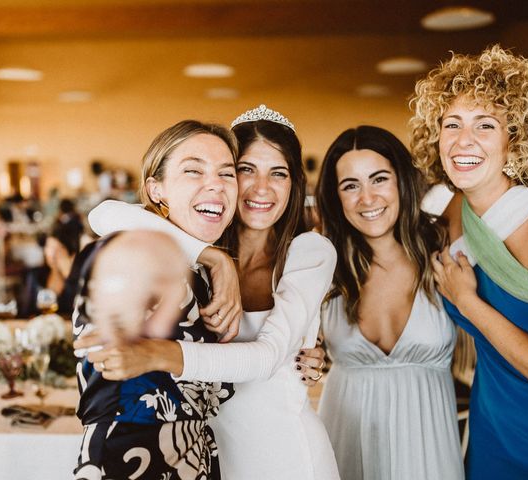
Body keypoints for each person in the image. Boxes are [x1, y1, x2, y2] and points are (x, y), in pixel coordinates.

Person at [77, 105, 340, 479]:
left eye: (278, 173)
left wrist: (157, 354)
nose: (261, 188)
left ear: (295, 184)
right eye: (246, 170)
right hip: (204, 453)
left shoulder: (310, 252)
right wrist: (214, 258)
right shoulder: (199, 241)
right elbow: (103, 215)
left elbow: (265, 359)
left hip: (285, 453)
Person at [409, 45, 528, 479]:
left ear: (516, 139)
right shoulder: (455, 214)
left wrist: (470, 303)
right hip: (490, 438)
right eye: (452, 124)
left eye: (486, 125)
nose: (464, 140)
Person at [73, 120, 238, 480]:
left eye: (227, 173)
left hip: (193, 457)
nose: (215, 184)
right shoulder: (137, 252)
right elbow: (105, 222)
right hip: (133, 458)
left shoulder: (200, 267)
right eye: (193, 170)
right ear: (156, 189)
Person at [315, 125, 464, 480]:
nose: (367, 198)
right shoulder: (322, 267)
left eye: (379, 179)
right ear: (336, 198)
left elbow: (481, 176)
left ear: (402, 182)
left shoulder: (443, 246)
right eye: (351, 186)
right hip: (343, 440)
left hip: (429, 452)